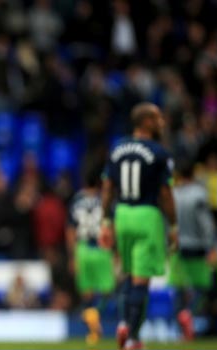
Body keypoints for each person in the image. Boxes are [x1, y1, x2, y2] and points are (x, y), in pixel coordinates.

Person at [100, 102, 177, 350]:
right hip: (147, 214)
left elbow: (108, 187)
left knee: (127, 274)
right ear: (146, 122)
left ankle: (123, 323)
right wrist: (174, 225)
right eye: (157, 117)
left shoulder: (117, 147)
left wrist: (106, 220)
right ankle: (133, 337)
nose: (162, 122)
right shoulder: (159, 152)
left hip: (122, 213)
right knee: (141, 281)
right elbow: (165, 193)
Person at [168, 160, 217, 341]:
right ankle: (190, 314)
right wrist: (211, 246)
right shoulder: (199, 194)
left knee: (179, 287)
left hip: (178, 247)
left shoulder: (173, 194)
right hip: (197, 247)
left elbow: (167, 222)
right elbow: (206, 224)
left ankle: (183, 324)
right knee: (204, 288)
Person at [66, 165, 115, 345]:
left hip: (83, 248)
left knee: (87, 292)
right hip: (102, 247)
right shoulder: (105, 199)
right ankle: (96, 317)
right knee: (107, 290)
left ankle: (92, 330)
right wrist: (115, 252)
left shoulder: (76, 200)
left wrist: (72, 256)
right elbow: (112, 227)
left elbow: (70, 230)